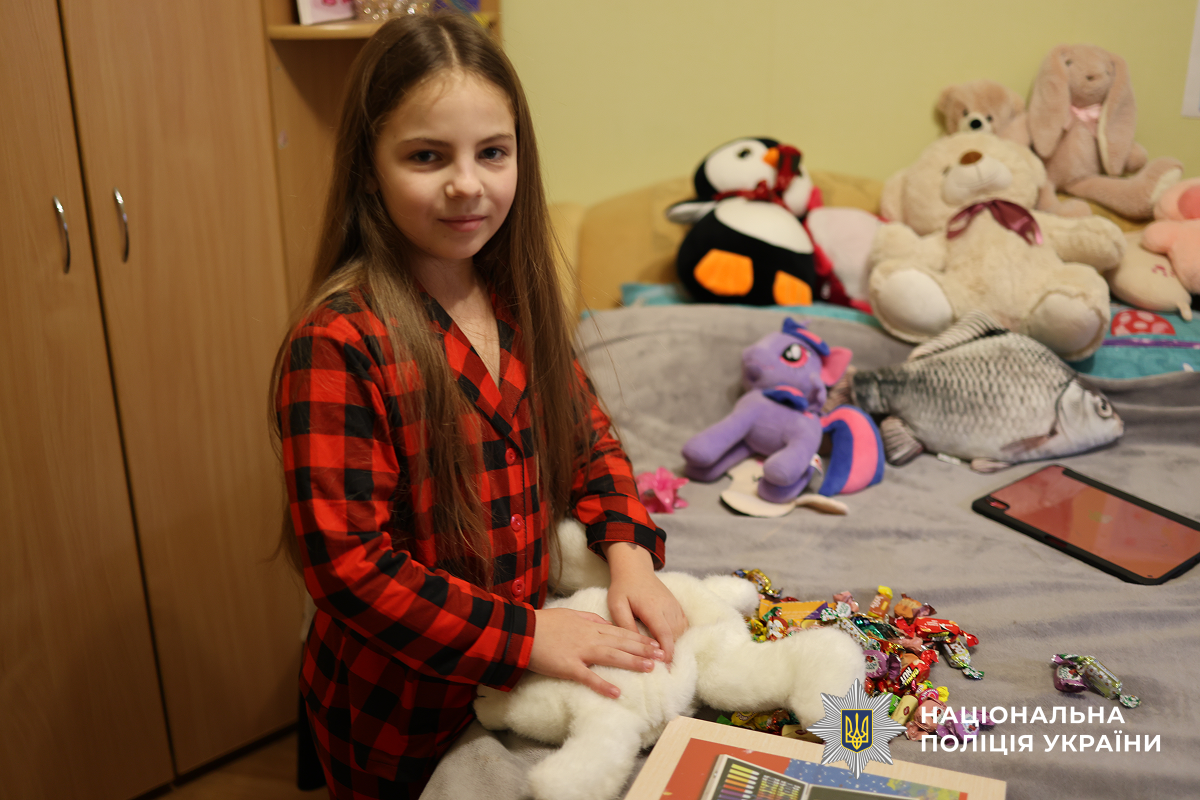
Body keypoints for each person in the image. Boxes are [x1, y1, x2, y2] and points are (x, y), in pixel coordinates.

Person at [269, 12, 687, 800]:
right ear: (368, 170)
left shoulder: (515, 303)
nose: (467, 184)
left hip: (510, 693)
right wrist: (528, 635)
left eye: (492, 153)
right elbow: (351, 570)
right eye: (427, 156)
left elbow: (591, 446)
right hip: (398, 717)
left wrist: (631, 557)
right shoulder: (338, 341)